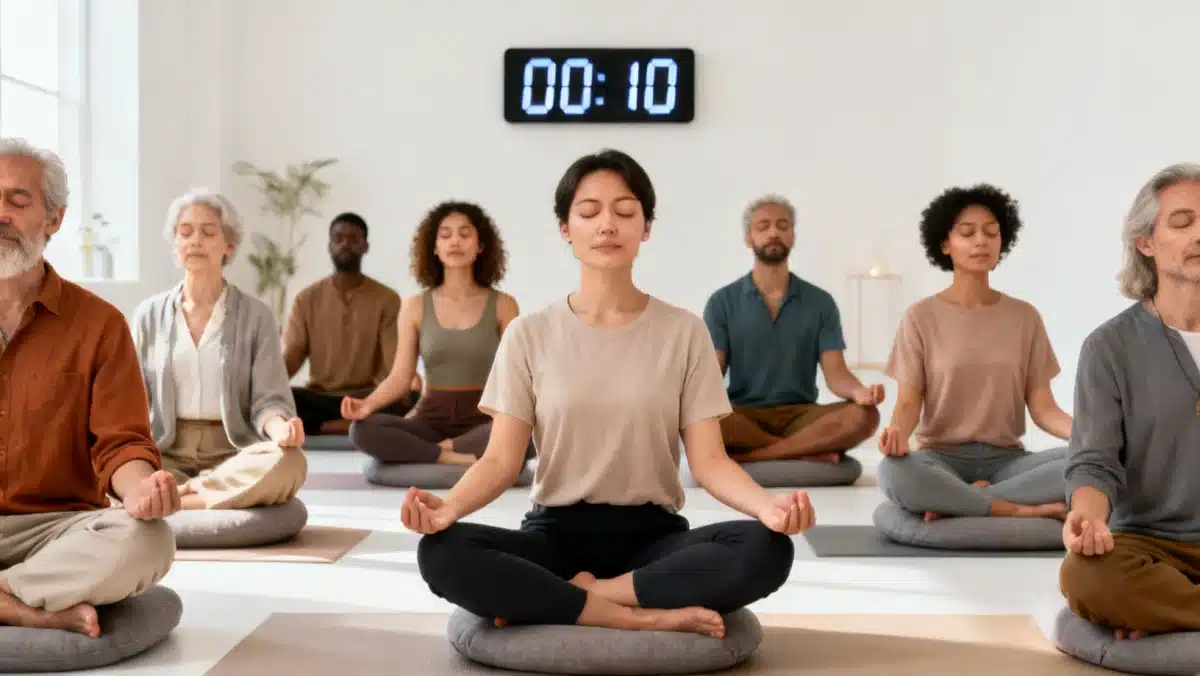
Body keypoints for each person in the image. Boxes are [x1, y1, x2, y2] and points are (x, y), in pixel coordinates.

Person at [408, 150, 804, 639]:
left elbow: (710, 463)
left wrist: (768, 507)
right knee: (441, 552)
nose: (607, 225)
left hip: (652, 538)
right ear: (565, 228)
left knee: (767, 548)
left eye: (624, 211)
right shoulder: (528, 334)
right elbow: (499, 463)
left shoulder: (684, 332)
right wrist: (447, 509)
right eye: (589, 212)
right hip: (554, 536)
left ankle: (589, 597)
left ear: (646, 227)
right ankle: (643, 615)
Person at [0, 137, 176, 637]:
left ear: (53, 219)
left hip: (58, 530)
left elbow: (121, 443)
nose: (2, 214)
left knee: (149, 541)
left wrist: (143, 492)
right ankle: (21, 605)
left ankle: (11, 595)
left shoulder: (100, 324)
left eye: (18, 200)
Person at [1059, 163, 1200, 640]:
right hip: (1149, 545)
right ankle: (1164, 606)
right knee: (1085, 576)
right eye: (1183, 223)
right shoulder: (1109, 347)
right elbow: (1095, 462)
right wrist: (1088, 518)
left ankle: (1170, 613)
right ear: (1146, 242)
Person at [877, 184, 1072, 522]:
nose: (981, 240)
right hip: (939, 460)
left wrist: (1091, 435)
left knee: (1086, 462)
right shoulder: (920, 317)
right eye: (967, 233)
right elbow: (909, 401)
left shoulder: (1024, 317)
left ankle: (961, 502)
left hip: (1008, 463)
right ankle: (1014, 508)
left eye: (991, 232)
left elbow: (1043, 408)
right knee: (894, 473)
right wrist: (896, 435)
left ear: (1002, 241)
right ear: (945, 244)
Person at [131, 188, 308, 511]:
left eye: (208, 232)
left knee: (291, 463)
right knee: (103, 467)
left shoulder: (256, 316)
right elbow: (132, 397)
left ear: (230, 244)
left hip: (234, 452)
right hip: (166, 451)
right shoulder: (149, 314)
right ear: (175, 244)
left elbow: (269, 400)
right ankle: (200, 496)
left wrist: (280, 429)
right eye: (185, 232)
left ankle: (180, 498)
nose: (195, 240)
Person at [703, 195, 882, 464]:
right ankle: (804, 451)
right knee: (699, 416)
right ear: (748, 238)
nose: (774, 232)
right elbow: (711, 374)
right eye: (763, 226)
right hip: (742, 416)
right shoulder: (722, 302)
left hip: (802, 416)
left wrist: (860, 393)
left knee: (865, 416)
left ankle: (756, 456)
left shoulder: (820, 302)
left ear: (793, 237)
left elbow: (837, 374)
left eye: (782, 225)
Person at [343, 201, 522, 466]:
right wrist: (367, 405)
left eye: (464, 233)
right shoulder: (415, 306)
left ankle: (439, 451)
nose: (455, 242)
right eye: (445, 234)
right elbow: (400, 378)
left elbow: (515, 377)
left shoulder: (504, 305)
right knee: (361, 430)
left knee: (527, 427)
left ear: (481, 245)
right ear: (434, 248)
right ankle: (451, 456)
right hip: (430, 419)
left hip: (485, 417)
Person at [283, 212, 421, 436]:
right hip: (321, 397)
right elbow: (292, 355)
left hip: (367, 398)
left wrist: (411, 386)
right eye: (338, 238)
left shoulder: (386, 299)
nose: (345, 244)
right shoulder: (306, 299)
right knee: (279, 401)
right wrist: (265, 387)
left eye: (353, 238)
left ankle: (324, 427)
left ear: (365, 246)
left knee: (412, 399)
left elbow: (394, 361)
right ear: (329, 246)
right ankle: (350, 426)